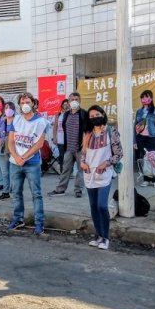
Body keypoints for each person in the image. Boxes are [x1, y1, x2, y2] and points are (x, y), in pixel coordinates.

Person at [80, 105, 123, 250]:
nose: (94, 118)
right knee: (93, 206)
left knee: (102, 205)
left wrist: (106, 163)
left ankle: (106, 237)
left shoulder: (111, 132)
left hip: (104, 174)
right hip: (89, 174)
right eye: (91, 116)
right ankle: (98, 236)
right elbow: (83, 153)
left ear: (103, 114)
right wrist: (82, 163)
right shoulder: (88, 134)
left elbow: (118, 154)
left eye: (97, 115)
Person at [7, 93, 48, 235]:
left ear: (33, 103)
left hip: (32, 163)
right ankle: (18, 219)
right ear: (19, 104)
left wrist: (23, 157)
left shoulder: (41, 122)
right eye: (22, 101)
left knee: (36, 194)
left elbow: (39, 143)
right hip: (15, 163)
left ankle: (39, 222)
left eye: (28, 101)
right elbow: (11, 141)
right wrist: (16, 157)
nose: (25, 104)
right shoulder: (16, 120)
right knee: (16, 193)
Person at [48, 92, 88, 198]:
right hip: (69, 148)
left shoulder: (84, 113)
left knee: (80, 170)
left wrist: (84, 146)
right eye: (72, 99)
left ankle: (78, 190)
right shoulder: (65, 114)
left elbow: (87, 131)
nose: (74, 101)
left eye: (76, 99)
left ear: (80, 100)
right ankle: (60, 189)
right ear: (69, 102)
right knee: (65, 169)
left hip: (80, 148)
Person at [134, 89, 155, 188]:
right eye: (142, 97)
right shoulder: (139, 111)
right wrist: (134, 141)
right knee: (144, 159)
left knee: (153, 158)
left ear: (151, 98)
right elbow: (135, 126)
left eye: (146, 97)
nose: (144, 99)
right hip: (141, 138)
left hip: (152, 138)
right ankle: (146, 179)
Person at [0, 101, 15, 200]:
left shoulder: (17, 120)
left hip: (12, 148)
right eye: (6, 107)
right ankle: (5, 191)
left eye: (9, 107)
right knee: (5, 172)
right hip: (1, 147)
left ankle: (13, 189)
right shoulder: (2, 121)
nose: (7, 109)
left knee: (13, 171)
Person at [51, 98, 69, 173]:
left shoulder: (71, 114)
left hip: (69, 139)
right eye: (64, 104)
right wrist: (54, 137)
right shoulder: (58, 115)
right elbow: (55, 127)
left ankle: (69, 172)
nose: (66, 105)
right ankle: (62, 172)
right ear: (62, 105)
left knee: (68, 157)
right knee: (61, 156)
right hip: (60, 139)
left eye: (67, 104)